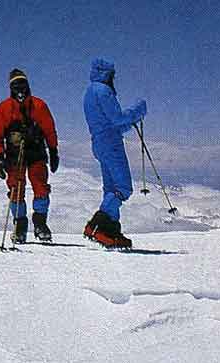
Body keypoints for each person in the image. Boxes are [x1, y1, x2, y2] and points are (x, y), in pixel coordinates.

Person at [83, 58, 147, 248]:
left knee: (111, 189)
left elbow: (110, 123)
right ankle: (98, 225)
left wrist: (131, 121)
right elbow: (117, 118)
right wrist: (138, 111)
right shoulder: (103, 90)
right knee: (123, 188)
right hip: (111, 145)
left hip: (100, 143)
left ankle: (111, 232)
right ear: (107, 73)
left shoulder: (89, 92)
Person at [0, 68, 59, 243]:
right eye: (16, 85)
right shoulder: (4, 109)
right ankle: (20, 226)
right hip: (14, 156)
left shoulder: (39, 106)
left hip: (36, 153)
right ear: (11, 87)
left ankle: (40, 224)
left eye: (22, 84)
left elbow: (49, 130)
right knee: (16, 189)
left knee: (41, 187)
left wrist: (53, 151)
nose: (20, 89)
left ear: (28, 85)